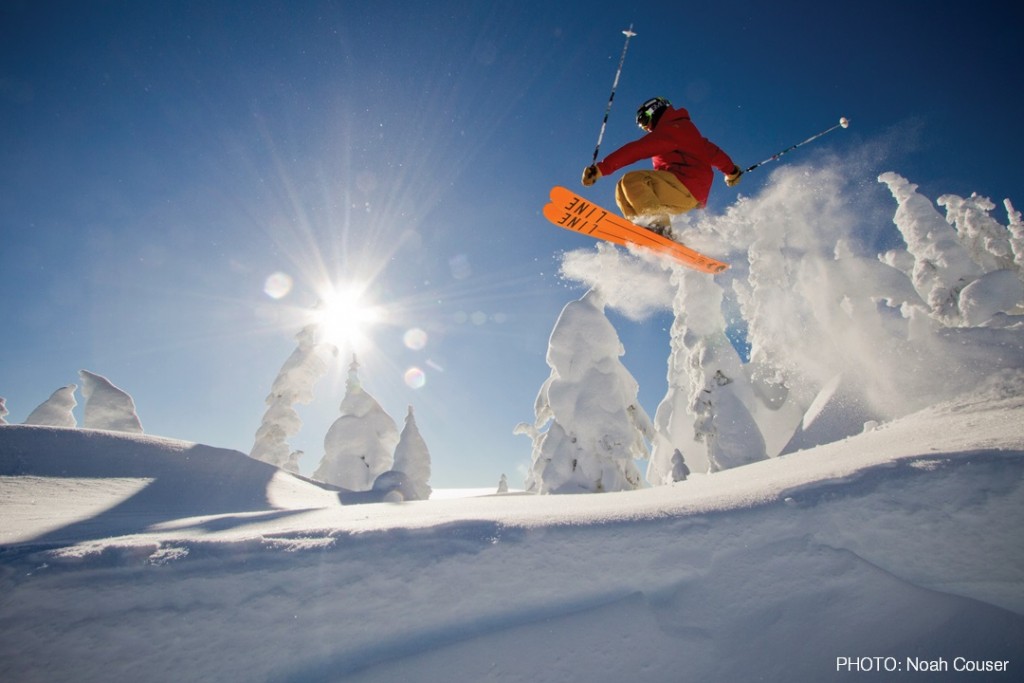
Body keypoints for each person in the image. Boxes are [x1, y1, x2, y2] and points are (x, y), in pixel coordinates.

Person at [582, 97, 742, 233]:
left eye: (643, 120)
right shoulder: (688, 133)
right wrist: (731, 171)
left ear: (654, 110)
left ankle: (659, 228)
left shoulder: (671, 130)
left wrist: (601, 169)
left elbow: (637, 150)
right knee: (621, 190)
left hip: (685, 185)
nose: (644, 127)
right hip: (683, 194)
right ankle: (645, 230)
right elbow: (714, 153)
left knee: (632, 181)